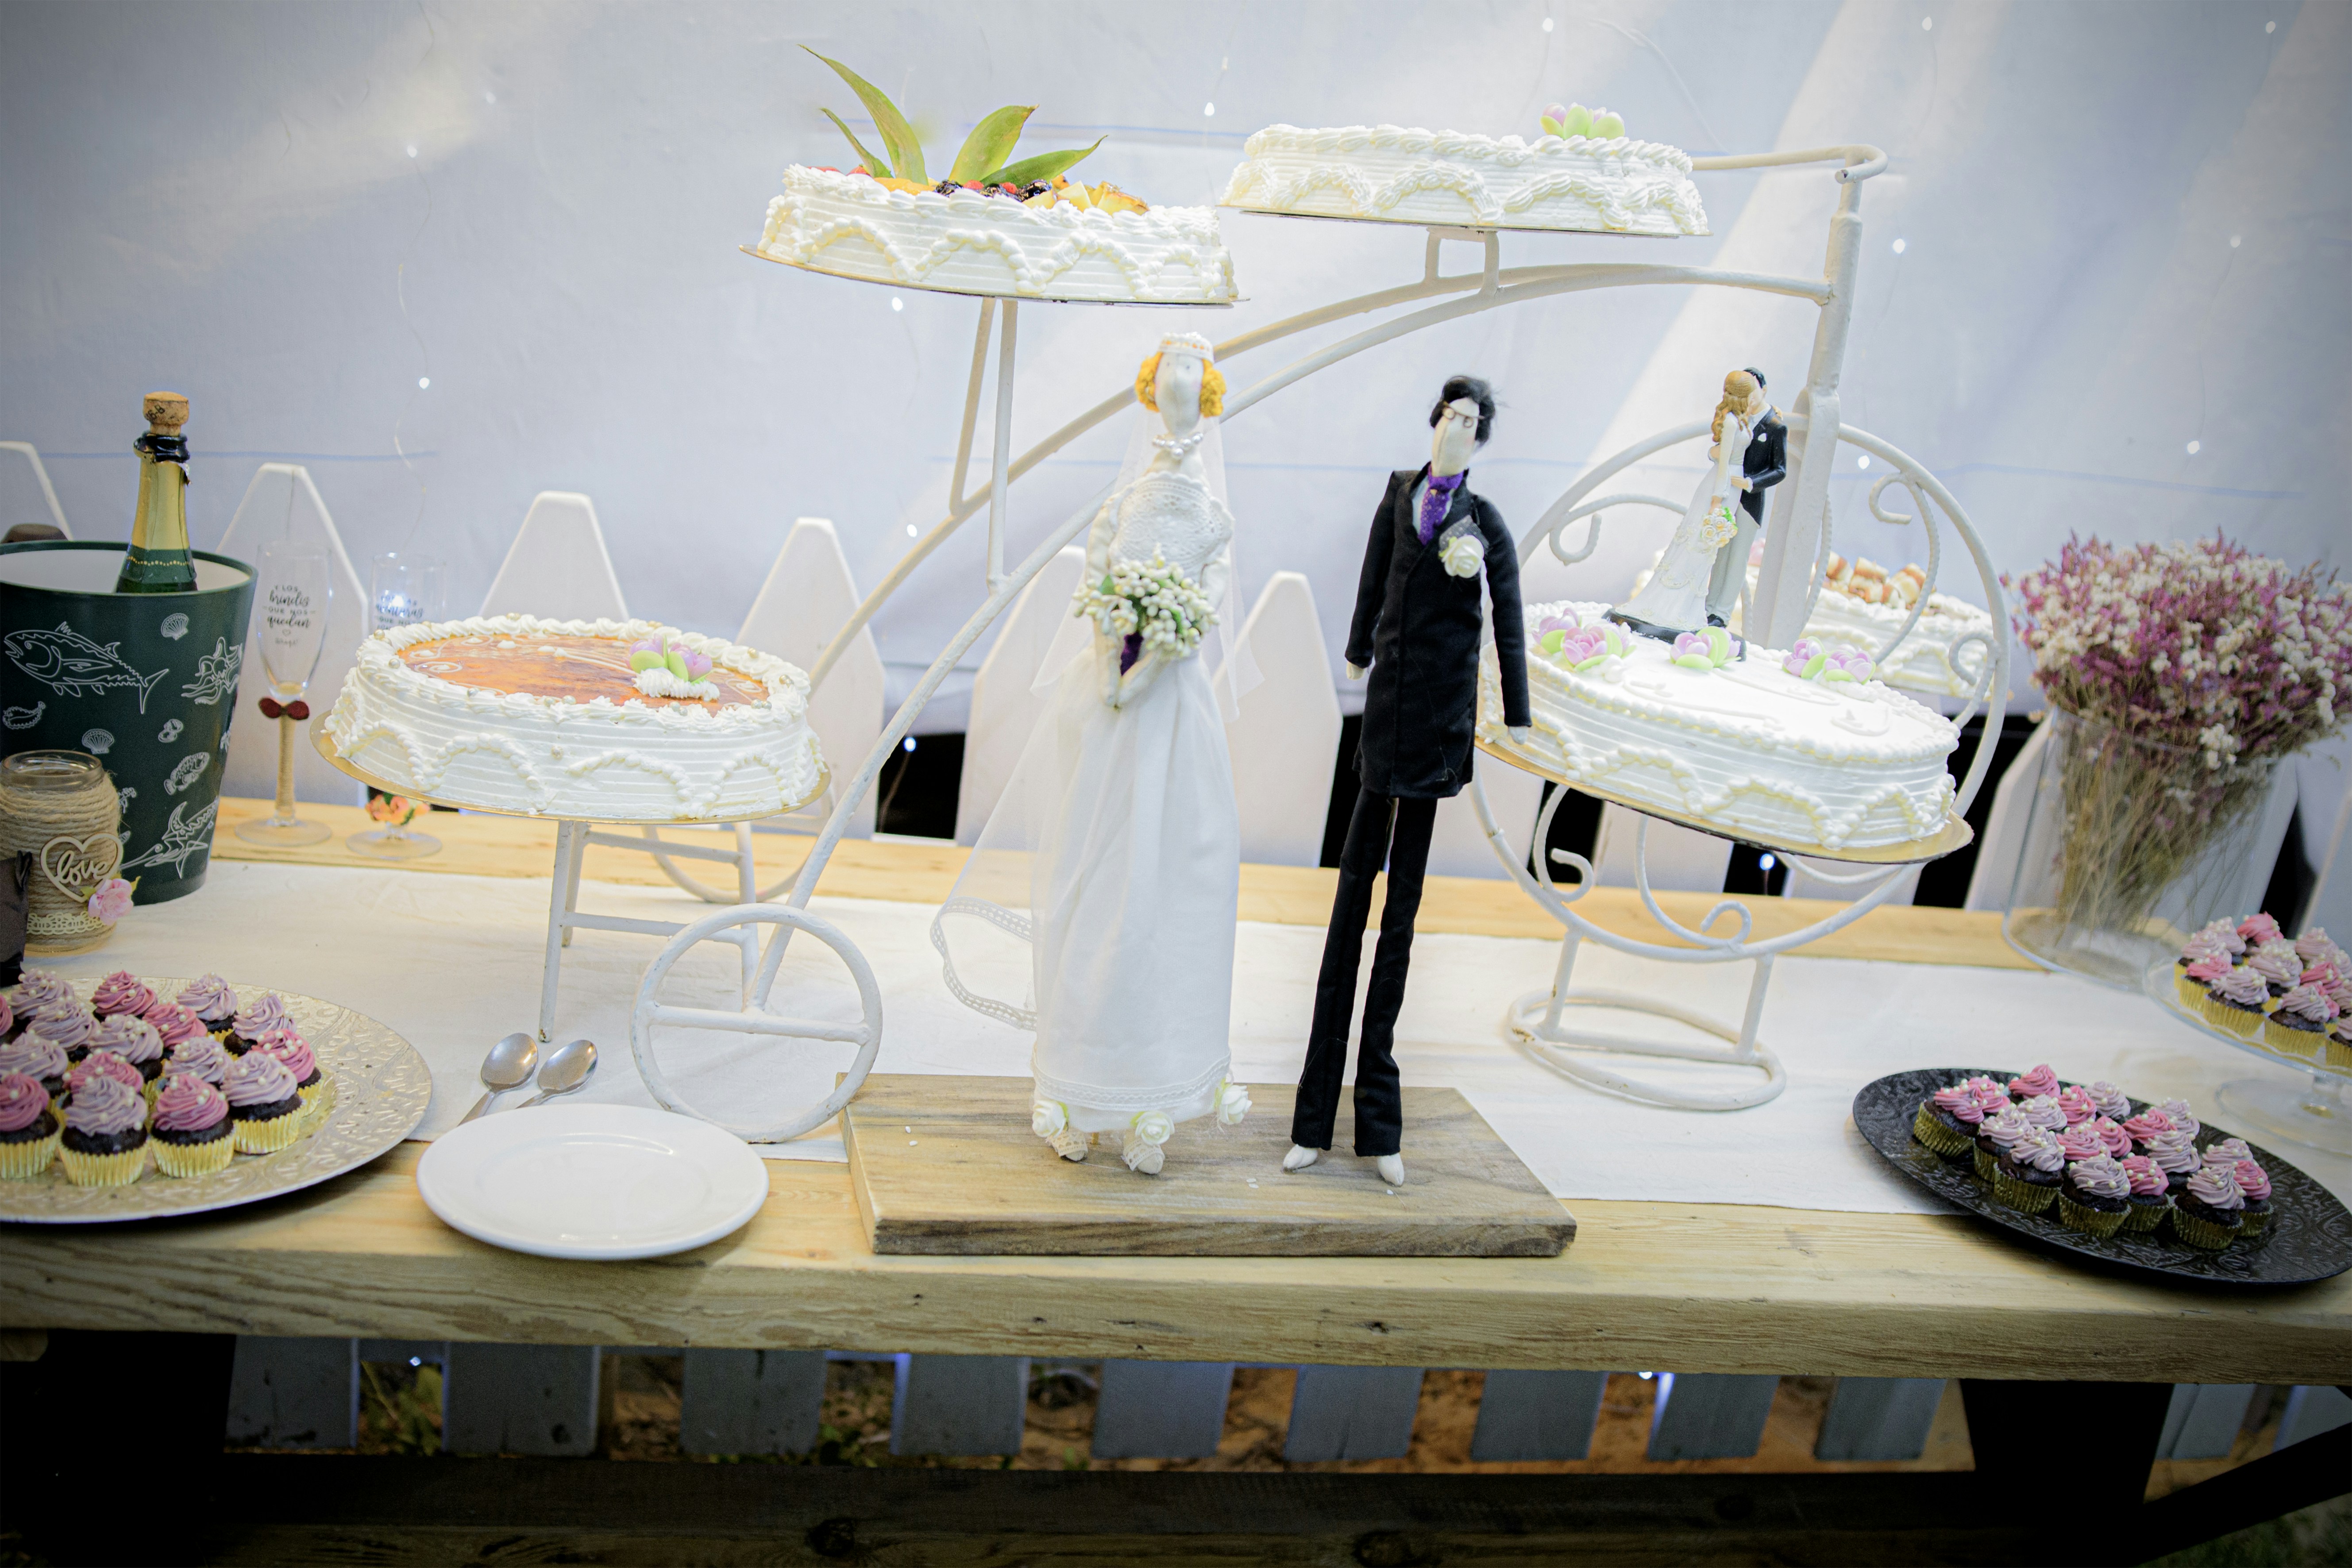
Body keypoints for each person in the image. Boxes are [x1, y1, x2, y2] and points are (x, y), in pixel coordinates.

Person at [930, 332, 1253, 1175]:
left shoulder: (1212, 512)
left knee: (1165, 892)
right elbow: (1103, 570)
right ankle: (1074, 1082)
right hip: (1109, 698)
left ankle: (1151, 1089)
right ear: (1153, 389)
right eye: (1168, 372)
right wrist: (1120, 634)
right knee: (1090, 880)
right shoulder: (1129, 497)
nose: (1180, 385)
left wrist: (1167, 641)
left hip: (1171, 709)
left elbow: (1213, 591)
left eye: (1194, 373)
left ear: (1206, 391)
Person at [1285, 375, 1529, 1187]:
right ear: (1432, 423)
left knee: (1399, 926)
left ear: (1482, 439)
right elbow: (1370, 578)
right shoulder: (1396, 496)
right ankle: (1311, 1118)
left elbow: (1508, 616)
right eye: (1448, 416)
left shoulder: (1484, 523)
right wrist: (1357, 647)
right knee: (1347, 910)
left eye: (1470, 422)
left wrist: (1516, 709)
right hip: (1383, 720)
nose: (1455, 430)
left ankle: (1379, 1126)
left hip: (1436, 733)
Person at [1611, 369, 1761, 643]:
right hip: (1721, 487)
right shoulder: (1729, 422)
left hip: (1734, 488)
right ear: (1742, 396)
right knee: (1697, 543)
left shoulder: (1742, 420)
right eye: (1752, 392)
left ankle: (1690, 607)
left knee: (1707, 551)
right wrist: (1718, 500)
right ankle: (1670, 606)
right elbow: (1724, 461)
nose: (1756, 396)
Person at [1704, 368, 1786, 628]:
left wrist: (1752, 483)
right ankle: (1708, 606)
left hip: (1750, 501)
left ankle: (1722, 613)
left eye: (1753, 391)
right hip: (1729, 494)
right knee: (1720, 552)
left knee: (1738, 558)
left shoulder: (1775, 426)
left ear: (1763, 390)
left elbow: (1780, 470)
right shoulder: (1737, 418)